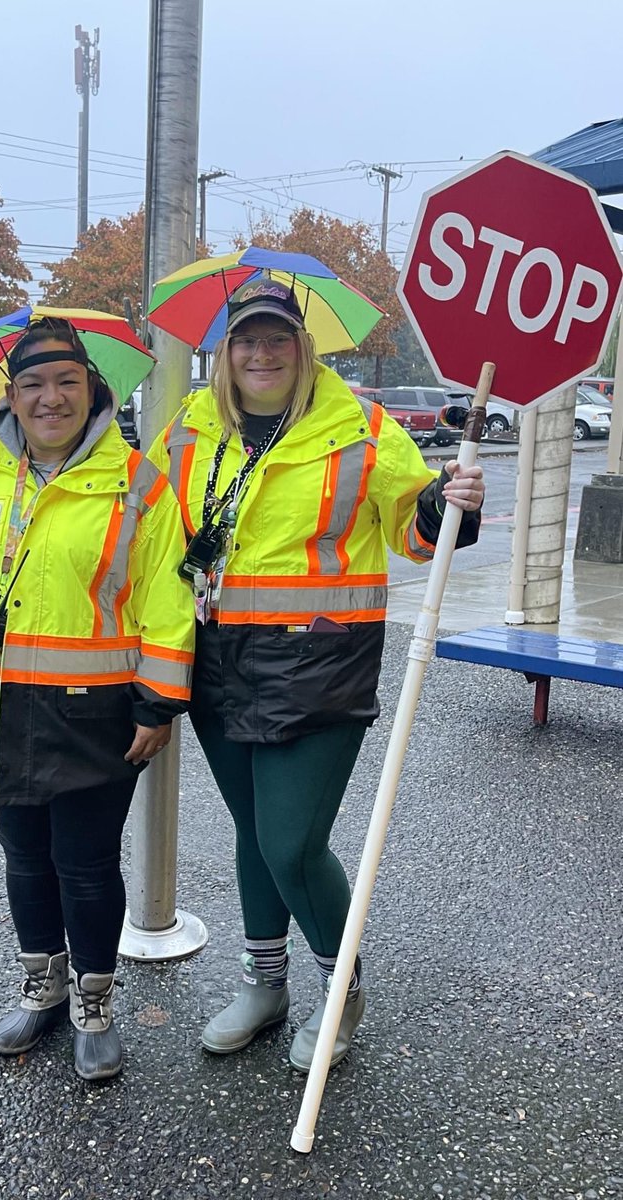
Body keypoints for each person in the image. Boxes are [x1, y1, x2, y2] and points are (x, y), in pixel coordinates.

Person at [148, 276, 485, 1072]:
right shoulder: (188, 433)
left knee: (291, 841)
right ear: (223, 353)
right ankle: (265, 986)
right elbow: (153, 537)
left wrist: (450, 501)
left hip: (320, 659)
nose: (262, 353)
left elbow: (413, 528)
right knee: (251, 835)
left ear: (304, 348)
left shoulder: (361, 428)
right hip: (217, 658)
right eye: (246, 339)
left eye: (278, 338)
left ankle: (341, 992)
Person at [0, 317, 194, 1081]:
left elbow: (167, 603)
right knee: (24, 861)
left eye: (67, 383)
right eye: (35, 385)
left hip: (95, 709)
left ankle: (94, 1003)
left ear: (93, 390)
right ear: (11, 395)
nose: (51, 399)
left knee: (84, 865)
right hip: (0, 704)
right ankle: (43, 987)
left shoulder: (138, 483)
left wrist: (158, 702)